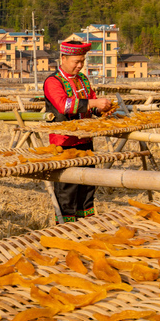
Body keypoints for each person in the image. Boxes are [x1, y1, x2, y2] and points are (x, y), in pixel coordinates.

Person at [42, 41, 113, 223]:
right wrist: (93, 104)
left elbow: (91, 106)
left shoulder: (83, 80)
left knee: (87, 188)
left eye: (82, 61)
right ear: (63, 58)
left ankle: (85, 227)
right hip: (64, 144)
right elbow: (64, 105)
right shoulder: (53, 82)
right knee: (68, 189)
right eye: (76, 61)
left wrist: (102, 109)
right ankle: (65, 230)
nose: (80, 65)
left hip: (86, 142)